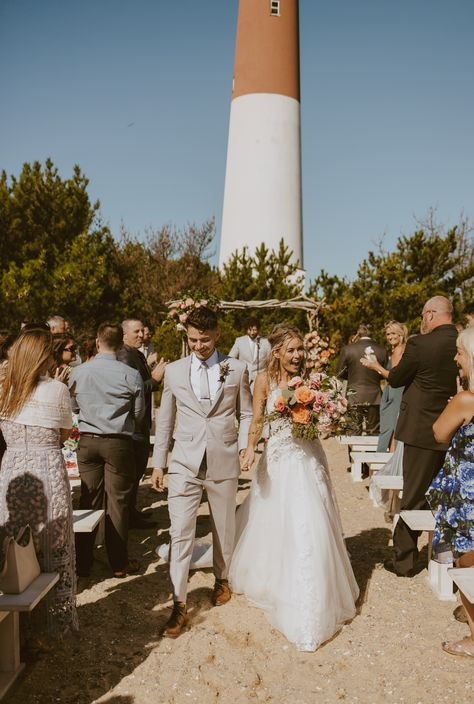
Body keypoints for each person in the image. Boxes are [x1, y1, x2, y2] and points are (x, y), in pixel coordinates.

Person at [230, 325, 359, 652]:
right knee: (277, 519)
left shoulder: (315, 381)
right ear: (277, 352)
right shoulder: (264, 381)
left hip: (308, 455)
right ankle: (277, 582)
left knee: (312, 518)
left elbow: (324, 416)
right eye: (292, 350)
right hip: (279, 455)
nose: (298, 355)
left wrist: (325, 415)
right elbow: (257, 420)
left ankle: (314, 594)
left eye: (301, 349)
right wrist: (249, 449)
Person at [151, 306, 252, 638]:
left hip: (223, 459)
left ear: (217, 335)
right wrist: (158, 463)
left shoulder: (236, 369)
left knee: (224, 527)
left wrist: (245, 444)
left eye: (205, 340)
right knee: (181, 532)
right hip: (183, 463)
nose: (198, 346)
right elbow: (165, 419)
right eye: (193, 340)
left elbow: (247, 412)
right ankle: (179, 606)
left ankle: (221, 578)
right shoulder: (175, 372)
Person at [0, 328, 78, 635]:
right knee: (51, 541)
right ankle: (47, 624)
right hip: (48, 471)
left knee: (16, 544)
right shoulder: (56, 390)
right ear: (42, 356)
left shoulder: (3, 388)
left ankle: (17, 627)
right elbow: (64, 434)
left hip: (13, 472)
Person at [384, 296, 458, 577]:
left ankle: (405, 560)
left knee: (413, 495)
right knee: (447, 496)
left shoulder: (420, 343)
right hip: (455, 427)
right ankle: (444, 557)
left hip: (420, 430)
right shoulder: (464, 342)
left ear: (430, 315)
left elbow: (396, 378)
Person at [69, 323, 145, 577]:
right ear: (120, 344)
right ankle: (118, 563)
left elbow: (73, 407)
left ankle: (83, 562)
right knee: (118, 502)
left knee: (88, 498)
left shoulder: (79, 372)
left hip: (88, 441)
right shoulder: (130, 374)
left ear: (97, 340)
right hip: (118, 442)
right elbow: (139, 413)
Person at [426, 326, 474, 657]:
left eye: (460, 351)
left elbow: (439, 432)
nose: (455, 357)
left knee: (467, 563)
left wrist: (455, 400)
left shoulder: (465, 400)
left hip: (467, 500)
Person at [118, 319, 166, 528]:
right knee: (131, 474)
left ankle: (132, 512)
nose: (141, 334)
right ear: (124, 335)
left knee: (137, 473)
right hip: (133, 425)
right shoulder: (124, 356)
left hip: (142, 422)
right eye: (136, 331)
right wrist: (154, 379)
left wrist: (154, 372)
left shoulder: (136, 354)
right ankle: (127, 517)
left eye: (142, 331)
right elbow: (132, 391)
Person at [360, 320, 408, 451]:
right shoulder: (395, 350)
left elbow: (394, 376)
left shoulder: (399, 350)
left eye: (393, 333)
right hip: (392, 390)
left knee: (391, 427)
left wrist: (375, 366)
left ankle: (390, 459)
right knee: (391, 426)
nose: (390, 337)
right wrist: (375, 365)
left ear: (401, 334)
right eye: (388, 334)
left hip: (396, 392)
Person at [336, 324, 387, 434]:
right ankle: (371, 451)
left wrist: (351, 376)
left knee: (353, 431)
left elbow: (339, 373)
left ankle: (354, 451)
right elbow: (385, 374)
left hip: (353, 396)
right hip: (375, 396)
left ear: (357, 335)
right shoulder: (382, 349)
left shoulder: (348, 349)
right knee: (373, 431)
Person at [228, 317, 271, 390]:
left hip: (260, 380)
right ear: (246, 329)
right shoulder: (239, 341)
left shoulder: (266, 342)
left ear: (258, 329)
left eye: (254, 330)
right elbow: (230, 358)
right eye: (249, 330)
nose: (252, 333)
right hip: (243, 379)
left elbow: (271, 361)